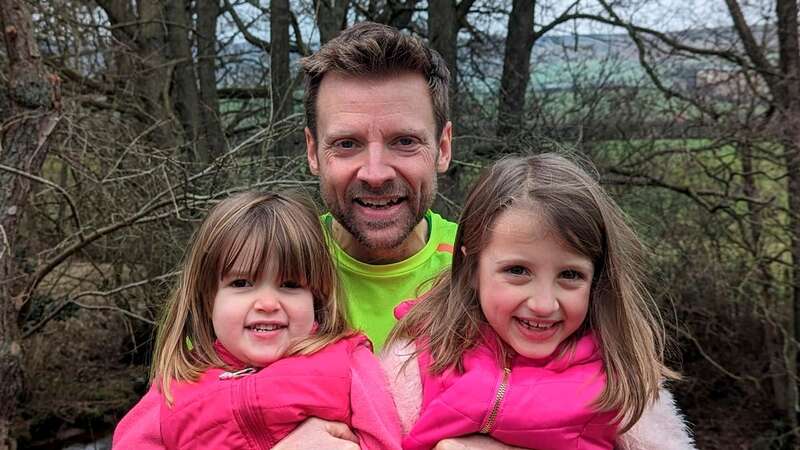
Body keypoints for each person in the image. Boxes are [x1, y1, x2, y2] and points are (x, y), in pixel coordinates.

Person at [381, 154, 695, 450]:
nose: (544, 304)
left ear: (597, 280)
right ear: (472, 268)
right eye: (517, 271)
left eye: (570, 275)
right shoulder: (417, 358)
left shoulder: (620, 379)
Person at [112, 191, 401, 449]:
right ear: (207, 298)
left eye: (289, 284)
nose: (267, 304)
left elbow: (388, 442)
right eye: (241, 283)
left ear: (317, 295)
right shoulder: (176, 388)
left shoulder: (349, 364)